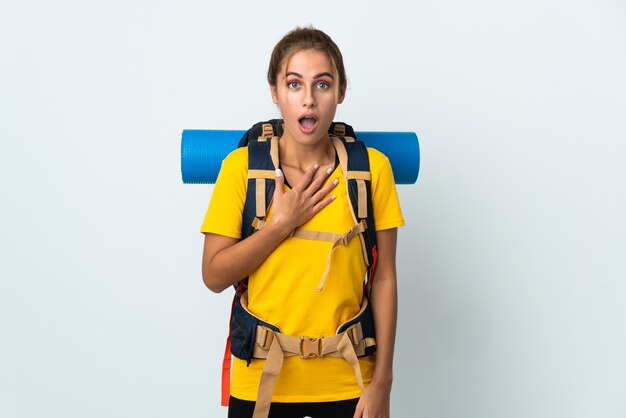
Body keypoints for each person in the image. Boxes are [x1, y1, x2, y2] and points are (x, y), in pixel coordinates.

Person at [200, 26, 404, 418]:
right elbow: (213, 276)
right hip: (260, 383)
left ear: (341, 91)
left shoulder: (372, 170)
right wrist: (279, 225)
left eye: (322, 85)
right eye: (294, 84)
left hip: (350, 385)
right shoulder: (240, 169)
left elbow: (384, 279)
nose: (308, 99)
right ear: (275, 93)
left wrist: (383, 383)